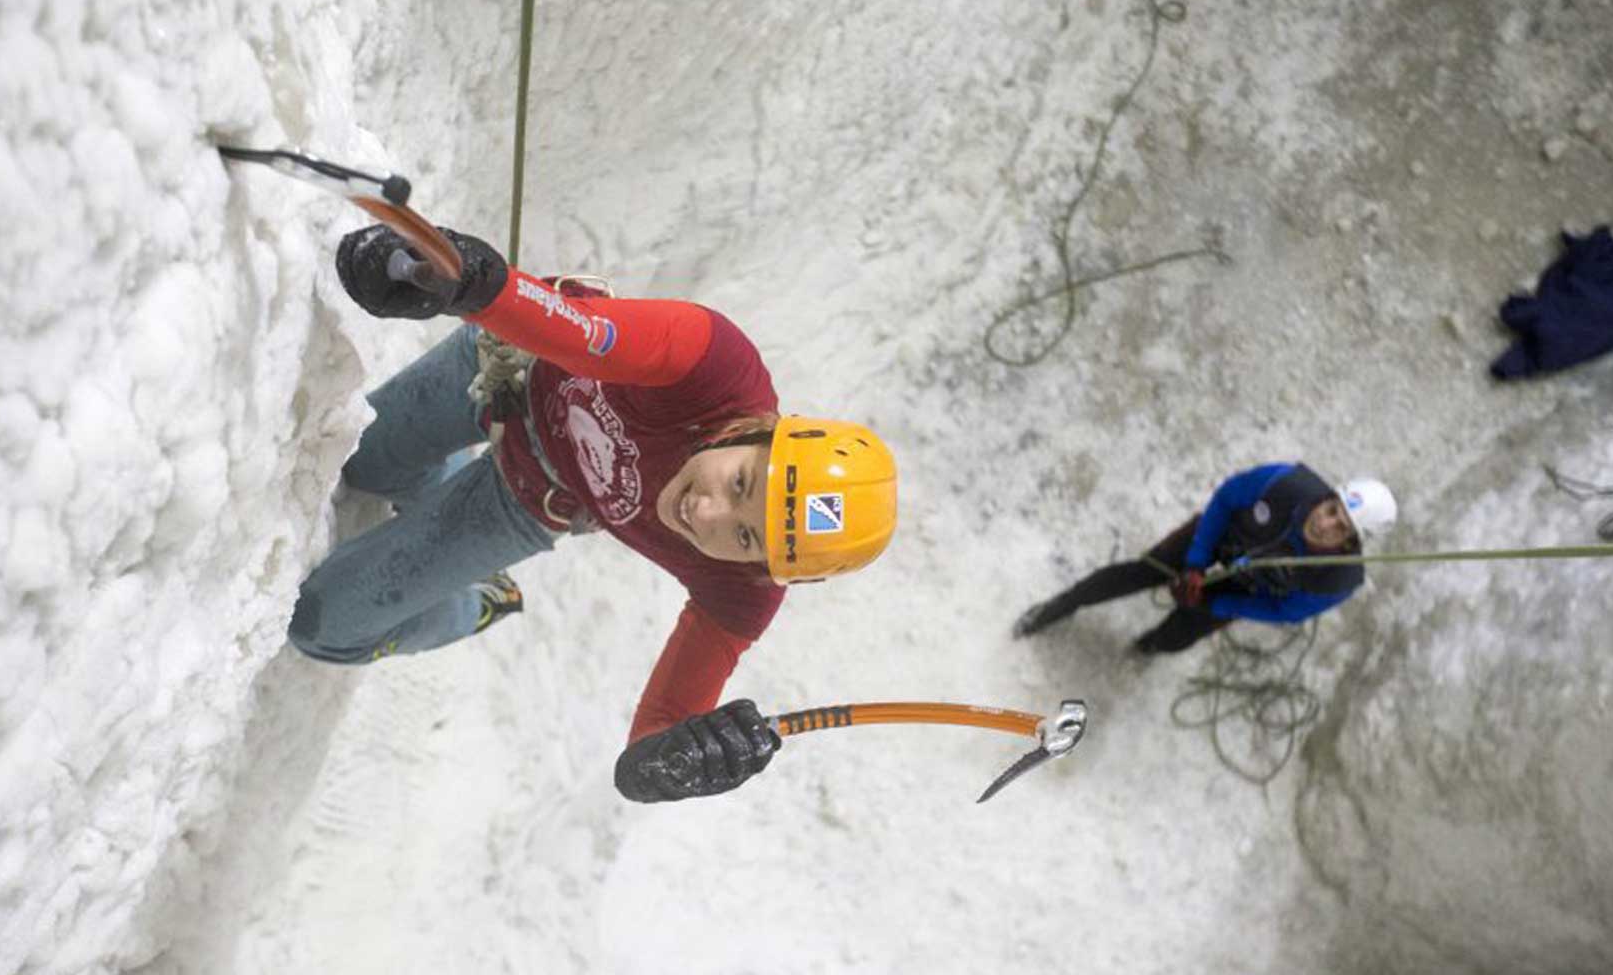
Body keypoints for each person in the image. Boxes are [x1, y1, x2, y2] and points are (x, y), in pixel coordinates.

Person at [290, 222, 898, 804]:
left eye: (742, 537)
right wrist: (461, 280)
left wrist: (679, 763)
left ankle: (474, 601)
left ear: (761, 568)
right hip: (509, 365)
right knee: (362, 464)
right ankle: (421, 491)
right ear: (761, 433)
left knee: (323, 627)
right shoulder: (714, 366)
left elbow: (649, 745)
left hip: (527, 500)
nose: (706, 511)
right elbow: (583, 332)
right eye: (742, 483)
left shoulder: (741, 593)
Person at [1013, 463, 1396, 652]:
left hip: (1247, 587)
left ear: (1349, 544)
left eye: (1341, 527)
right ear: (1329, 496)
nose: (1325, 523)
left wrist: (1216, 600)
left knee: (1182, 633)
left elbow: (1285, 612)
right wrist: (1196, 561)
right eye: (1332, 509)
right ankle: (1056, 607)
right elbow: (1228, 497)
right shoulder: (1284, 483)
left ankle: (1141, 651)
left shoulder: (1334, 579)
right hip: (1218, 537)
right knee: (1142, 572)